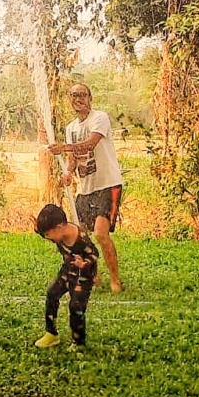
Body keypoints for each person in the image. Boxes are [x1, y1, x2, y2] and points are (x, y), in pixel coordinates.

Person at [48, 83, 124, 293]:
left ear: (90, 98)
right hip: (85, 189)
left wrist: (63, 147)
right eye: (73, 96)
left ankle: (115, 280)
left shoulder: (99, 118)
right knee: (78, 236)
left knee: (100, 233)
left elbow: (90, 144)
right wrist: (68, 173)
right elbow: (72, 158)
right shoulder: (71, 128)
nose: (78, 99)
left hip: (107, 184)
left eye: (82, 95)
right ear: (69, 100)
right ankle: (93, 273)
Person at [33, 203, 100, 348]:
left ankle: (78, 342)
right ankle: (51, 334)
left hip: (83, 276)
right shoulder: (58, 233)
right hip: (68, 270)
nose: (48, 238)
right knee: (52, 293)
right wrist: (37, 228)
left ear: (58, 228)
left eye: (48, 234)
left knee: (76, 306)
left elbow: (94, 254)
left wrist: (84, 264)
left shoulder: (81, 239)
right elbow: (47, 234)